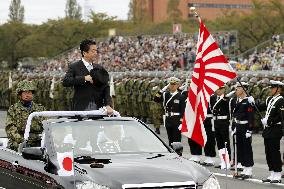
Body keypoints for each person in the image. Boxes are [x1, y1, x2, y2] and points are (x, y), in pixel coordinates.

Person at [62, 39, 113, 114]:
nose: (96, 53)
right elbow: (66, 81)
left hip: (98, 108)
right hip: (81, 107)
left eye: (96, 51)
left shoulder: (99, 68)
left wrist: (108, 104)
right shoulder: (74, 66)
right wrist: (84, 78)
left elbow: (106, 87)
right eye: (93, 51)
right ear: (84, 53)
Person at [5, 80, 46, 151]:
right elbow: (10, 128)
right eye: (25, 92)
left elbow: (47, 125)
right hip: (20, 140)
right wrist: (22, 140)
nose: (28, 95)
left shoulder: (40, 109)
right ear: (20, 94)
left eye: (30, 92)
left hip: (38, 140)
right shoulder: (13, 109)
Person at [257, 80, 284, 183]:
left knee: (274, 152)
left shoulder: (281, 100)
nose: (271, 89)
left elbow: (281, 116)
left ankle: (277, 174)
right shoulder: (269, 99)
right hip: (268, 130)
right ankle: (272, 172)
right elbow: (260, 107)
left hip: (275, 129)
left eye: (273, 88)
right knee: (268, 152)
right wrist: (252, 102)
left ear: (278, 89)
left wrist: (269, 121)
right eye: (271, 88)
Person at [154, 77, 186, 147]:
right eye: (171, 84)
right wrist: (162, 90)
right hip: (168, 119)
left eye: (174, 84)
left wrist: (181, 122)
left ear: (177, 85)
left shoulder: (181, 96)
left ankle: (178, 155)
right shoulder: (165, 95)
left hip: (177, 120)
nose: (172, 86)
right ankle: (172, 155)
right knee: (170, 139)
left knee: (177, 140)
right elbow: (156, 99)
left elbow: (183, 110)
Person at [232, 82, 254, 179]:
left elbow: (250, 117)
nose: (236, 90)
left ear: (243, 89)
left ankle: (249, 169)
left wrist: (249, 130)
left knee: (247, 149)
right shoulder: (238, 100)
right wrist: (234, 126)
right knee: (240, 148)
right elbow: (235, 115)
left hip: (245, 127)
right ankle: (244, 168)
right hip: (239, 127)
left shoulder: (248, 101)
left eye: (238, 88)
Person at [212, 85, 231, 169]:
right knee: (219, 143)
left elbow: (230, 112)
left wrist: (230, 123)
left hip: (224, 123)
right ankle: (222, 160)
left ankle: (227, 161)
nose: (218, 90)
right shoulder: (213, 99)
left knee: (225, 143)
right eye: (217, 89)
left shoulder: (227, 99)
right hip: (216, 123)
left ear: (224, 89)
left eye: (220, 89)